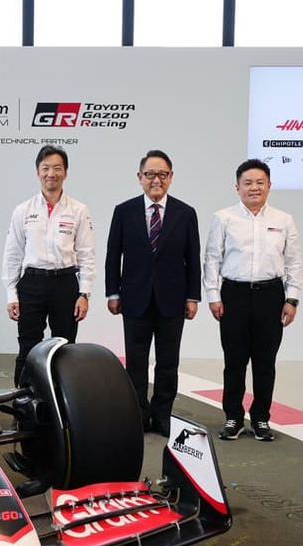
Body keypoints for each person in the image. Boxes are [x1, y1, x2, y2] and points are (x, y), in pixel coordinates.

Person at [204, 158, 303, 442]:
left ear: (269, 185)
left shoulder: (284, 220)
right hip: (233, 295)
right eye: (247, 183)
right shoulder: (224, 218)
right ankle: (233, 417)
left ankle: (261, 418)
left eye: (260, 182)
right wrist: (213, 296)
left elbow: (294, 262)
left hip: (271, 296)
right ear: (237, 187)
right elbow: (212, 259)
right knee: (234, 361)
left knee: (265, 362)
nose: (254, 188)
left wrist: (292, 299)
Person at [105, 150, 201, 437]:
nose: (156, 180)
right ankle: (138, 415)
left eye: (162, 174)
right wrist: (112, 292)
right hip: (134, 299)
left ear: (171, 177)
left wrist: (192, 297)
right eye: (150, 174)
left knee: (168, 362)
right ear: (139, 177)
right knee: (136, 362)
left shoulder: (185, 213)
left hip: (173, 300)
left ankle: (162, 416)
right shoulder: (124, 211)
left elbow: (193, 258)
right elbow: (113, 255)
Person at [2, 145, 95, 384]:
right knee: (28, 346)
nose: (51, 174)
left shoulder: (79, 210)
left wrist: (84, 294)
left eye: (57, 168)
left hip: (65, 284)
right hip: (32, 284)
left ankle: (62, 401)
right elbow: (12, 255)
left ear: (66, 172)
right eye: (45, 168)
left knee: (65, 348)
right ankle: (24, 399)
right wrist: (11, 294)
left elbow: (87, 254)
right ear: (37, 172)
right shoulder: (23, 210)